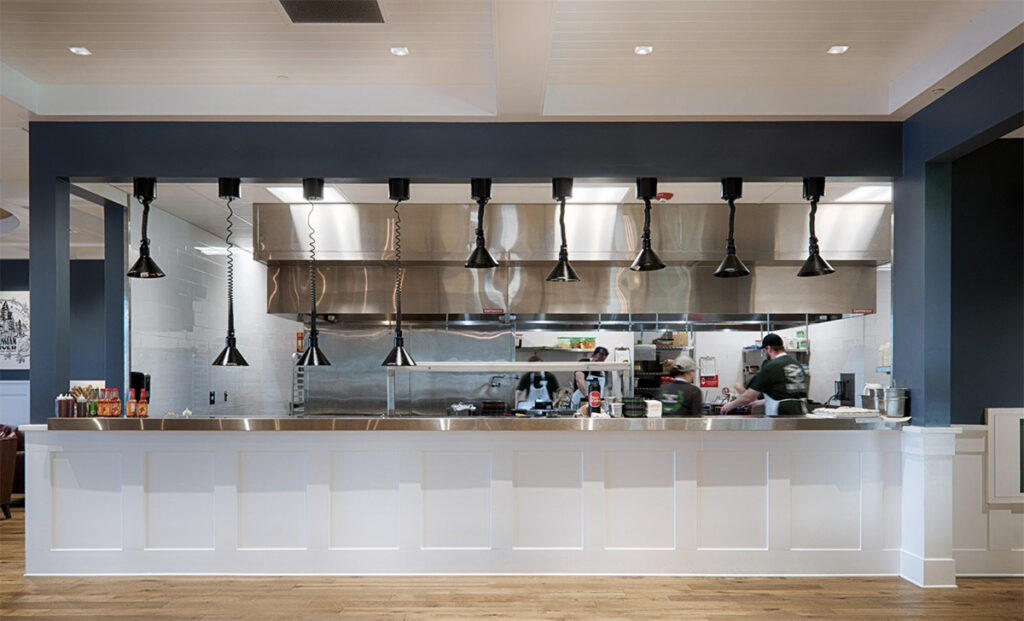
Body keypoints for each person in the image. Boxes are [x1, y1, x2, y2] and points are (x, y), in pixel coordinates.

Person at [721, 333, 808, 416]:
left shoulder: (771, 366)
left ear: (769, 348)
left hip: (781, 416)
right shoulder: (796, 364)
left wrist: (728, 406)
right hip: (800, 413)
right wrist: (759, 402)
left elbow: (748, 397)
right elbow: (785, 395)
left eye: (765, 350)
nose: (765, 353)